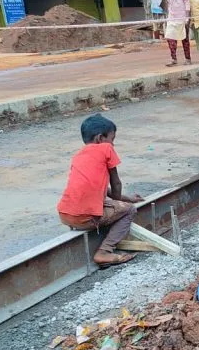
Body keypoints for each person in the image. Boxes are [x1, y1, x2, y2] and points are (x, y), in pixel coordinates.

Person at [57, 114, 142, 268]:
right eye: (112, 139)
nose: (113, 144)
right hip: (85, 218)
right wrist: (124, 203)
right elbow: (116, 183)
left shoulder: (78, 156)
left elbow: (99, 189)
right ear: (100, 138)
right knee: (129, 210)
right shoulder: (105, 149)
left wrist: (127, 198)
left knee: (112, 203)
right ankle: (104, 251)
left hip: (65, 215)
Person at [163, 0, 191, 66]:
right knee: (170, 38)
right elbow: (168, 3)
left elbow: (187, 3)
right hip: (172, 18)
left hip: (182, 18)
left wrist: (187, 17)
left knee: (184, 39)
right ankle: (173, 59)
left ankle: (188, 59)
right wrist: (168, 15)